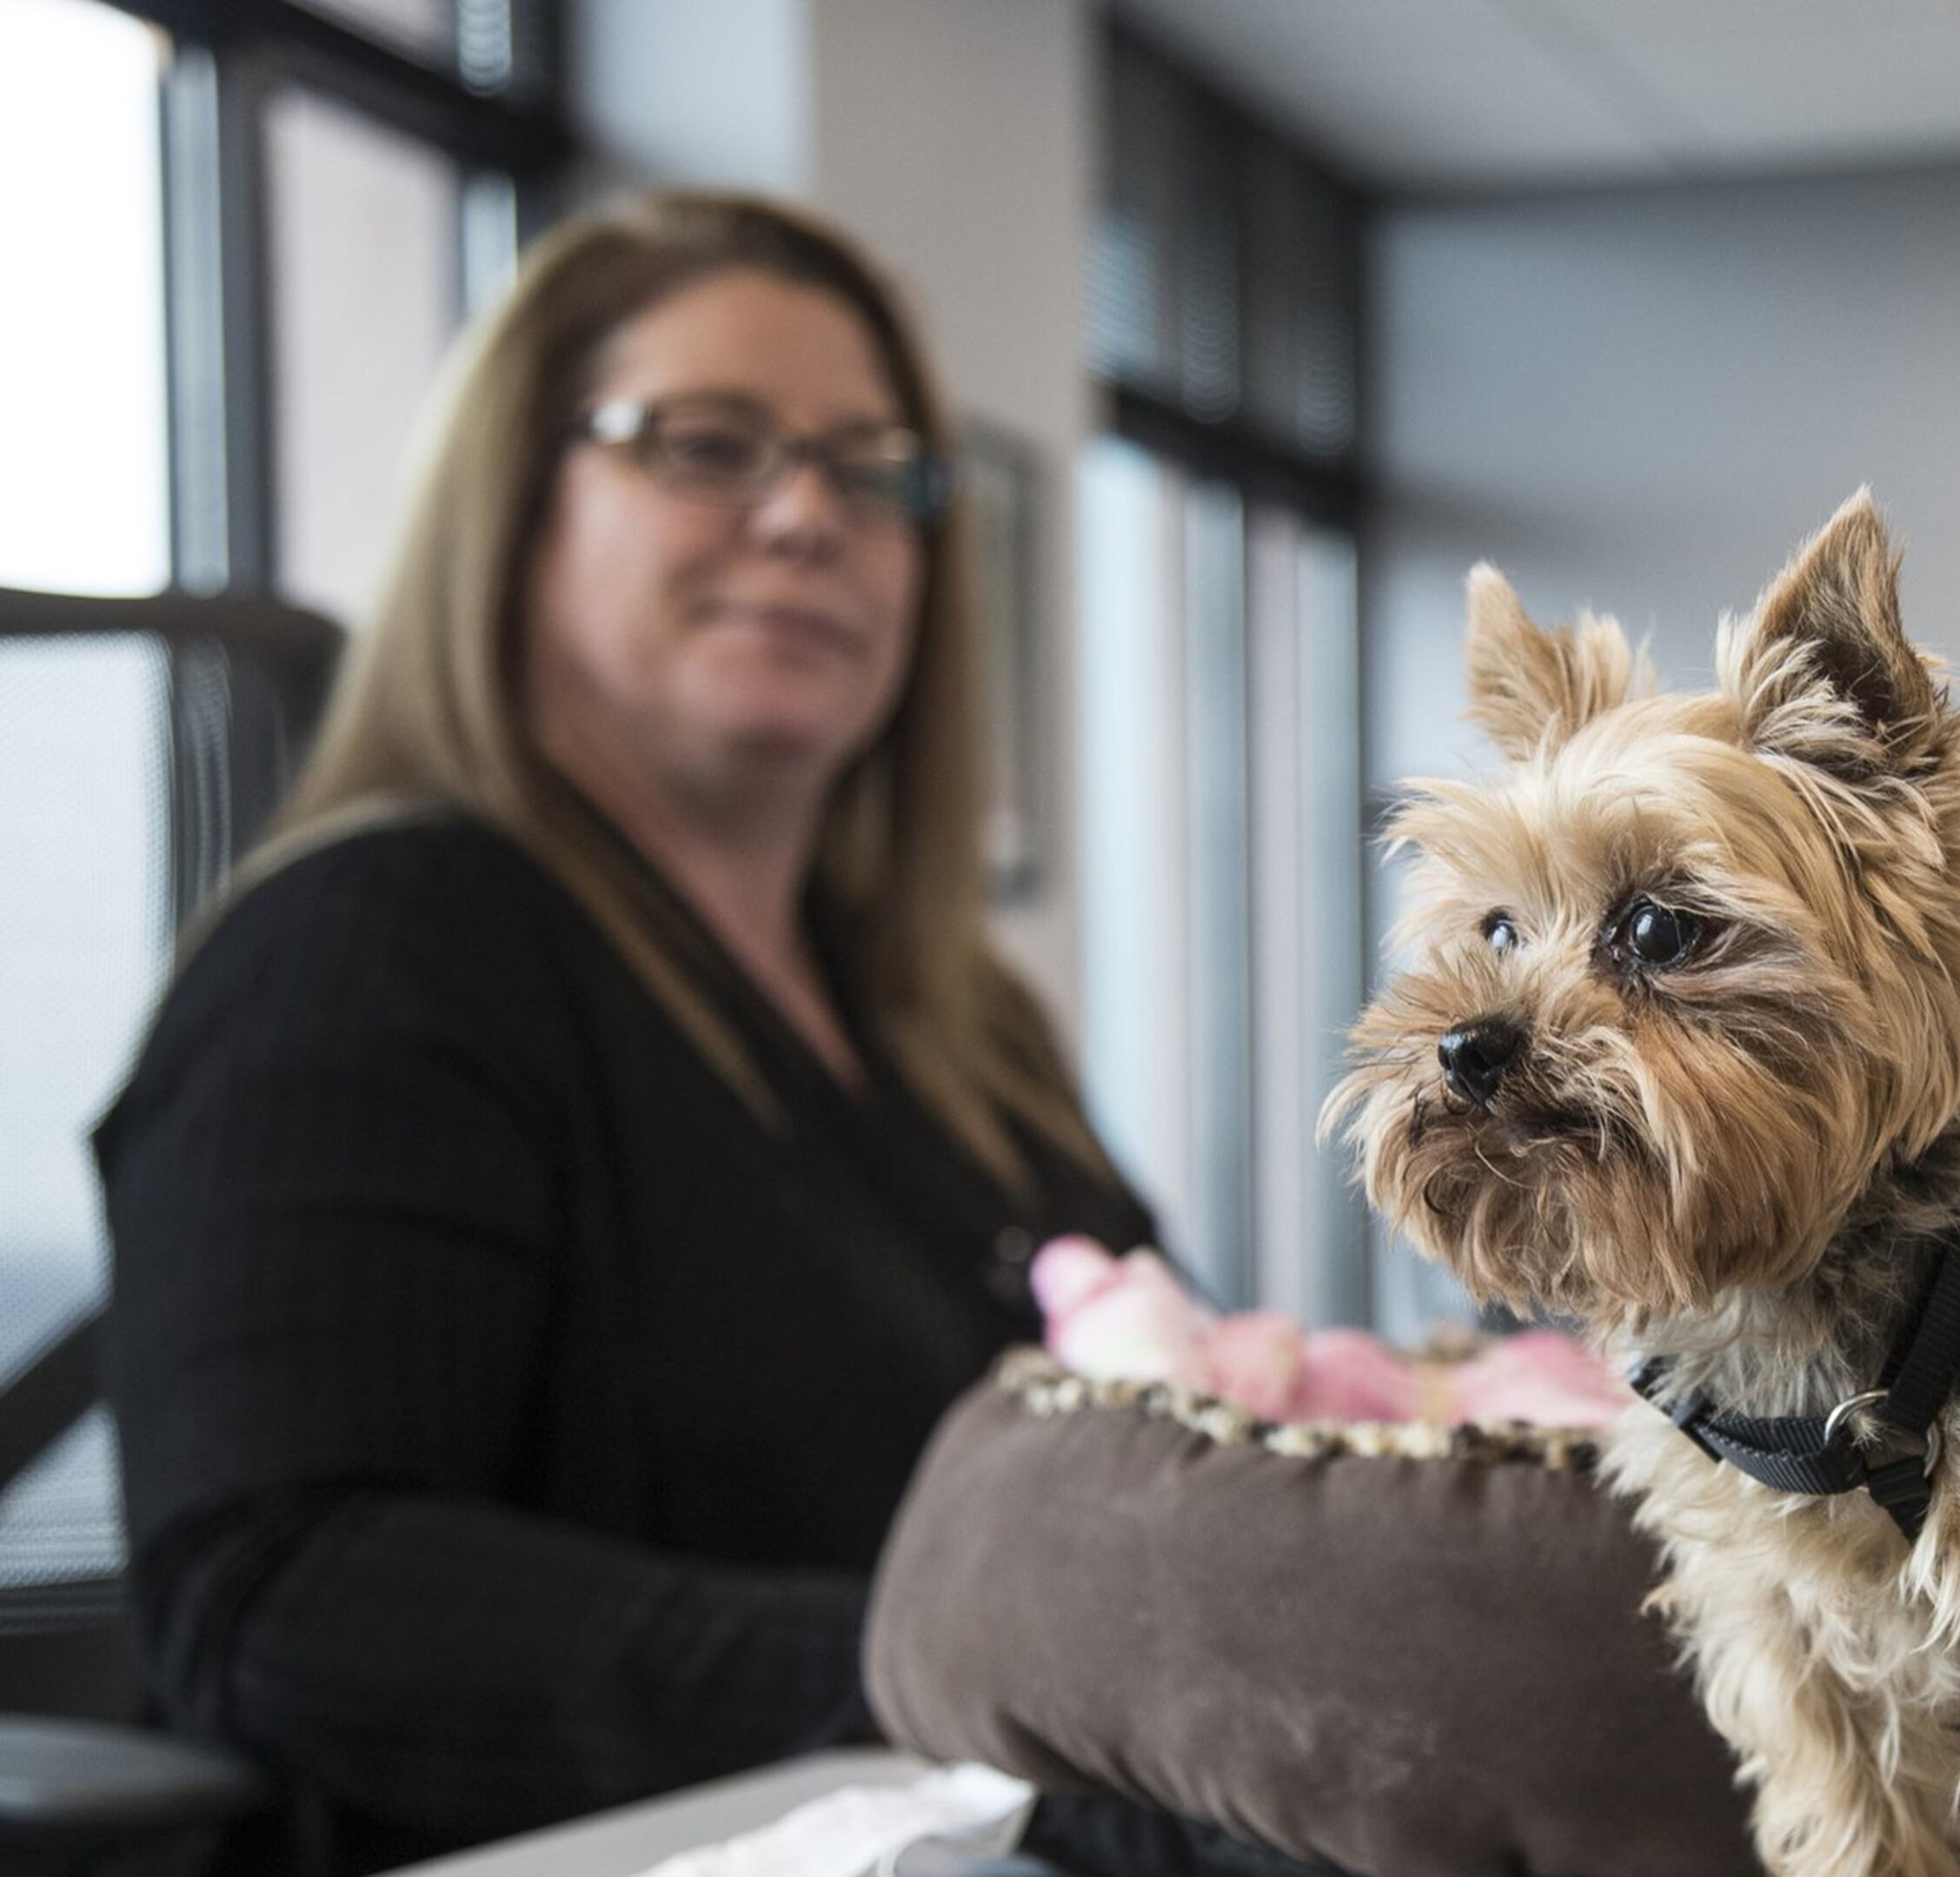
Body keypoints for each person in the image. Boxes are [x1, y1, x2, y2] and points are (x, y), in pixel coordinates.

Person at [93, 192, 1182, 1874]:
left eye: (874, 467)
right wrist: (955, 1663)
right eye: (707, 444)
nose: (810, 514)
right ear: (515, 509)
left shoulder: (970, 1023)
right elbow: (278, 1589)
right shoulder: (372, 948)